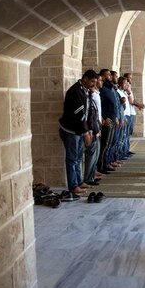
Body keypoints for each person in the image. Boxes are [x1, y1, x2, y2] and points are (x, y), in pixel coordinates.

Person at [58, 69, 99, 199]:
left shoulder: (84, 90)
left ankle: (79, 182)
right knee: (72, 158)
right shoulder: (75, 91)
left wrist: (90, 129)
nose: (94, 84)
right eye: (92, 81)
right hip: (71, 130)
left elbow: (88, 113)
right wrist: (86, 132)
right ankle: (73, 186)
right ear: (85, 79)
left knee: (78, 157)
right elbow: (79, 116)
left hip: (79, 130)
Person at [83, 75, 103, 186]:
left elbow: (95, 114)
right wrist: (91, 130)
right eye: (93, 82)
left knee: (96, 153)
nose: (94, 85)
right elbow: (88, 116)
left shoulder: (92, 96)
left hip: (95, 127)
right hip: (90, 129)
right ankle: (88, 178)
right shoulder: (88, 96)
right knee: (91, 154)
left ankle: (91, 175)